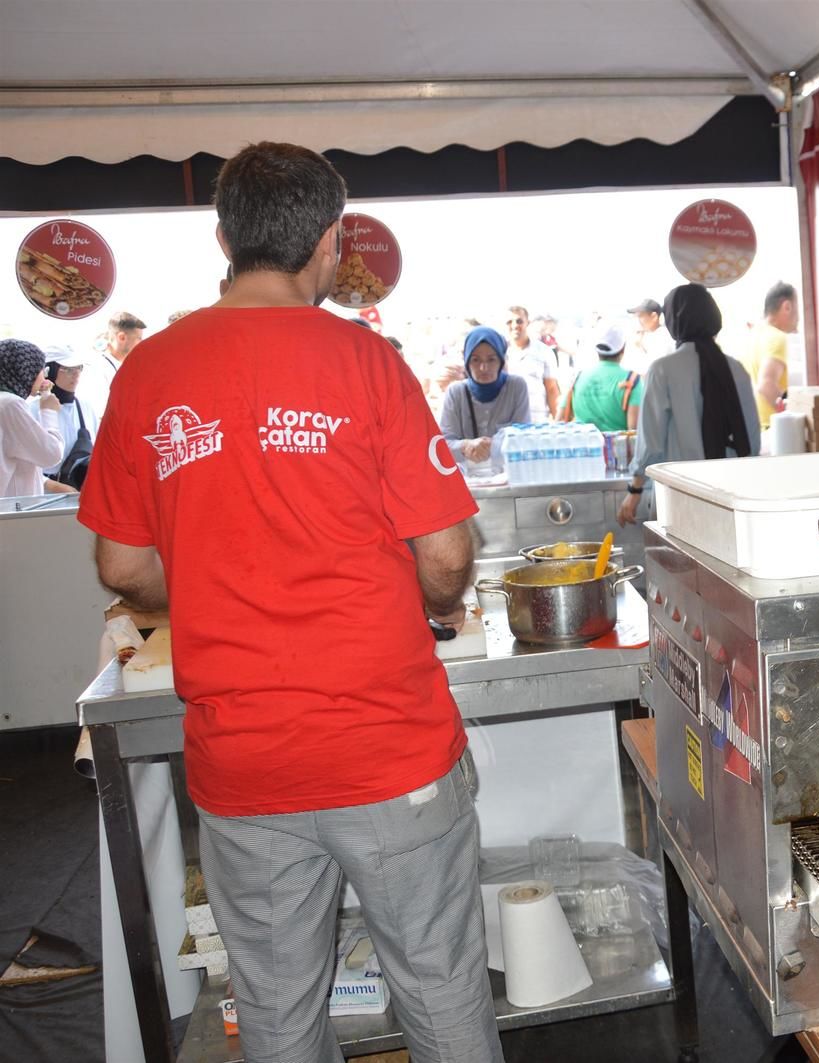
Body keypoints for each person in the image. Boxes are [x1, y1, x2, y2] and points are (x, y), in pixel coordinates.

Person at [75, 141, 501, 1063]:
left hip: (244, 762)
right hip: (390, 748)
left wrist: (210, 579)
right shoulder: (366, 362)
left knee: (275, 1014)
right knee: (441, 994)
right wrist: (437, 600)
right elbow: (446, 549)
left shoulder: (147, 371)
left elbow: (121, 561)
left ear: (223, 236)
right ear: (330, 243)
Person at [618, 284, 759, 526]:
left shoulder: (663, 369)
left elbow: (651, 442)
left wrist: (635, 490)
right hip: (730, 498)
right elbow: (752, 441)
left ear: (673, 321)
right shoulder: (736, 370)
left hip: (679, 498)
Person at [439, 326, 532, 469]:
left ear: (501, 361)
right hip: (468, 482)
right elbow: (443, 446)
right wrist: (466, 445)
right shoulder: (456, 392)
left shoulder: (516, 386)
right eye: (476, 360)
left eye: (491, 359)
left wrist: (488, 446)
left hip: (510, 478)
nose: (483, 368)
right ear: (467, 361)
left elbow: (523, 438)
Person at [0, 339, 64, 498]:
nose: (45, 378)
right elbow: (51, 454)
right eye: (43, 370)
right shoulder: (10, 404)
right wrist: (49, 412)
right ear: (25, 371)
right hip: (14, 513)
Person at [560, 326, 642, 432]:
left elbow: (560, 419)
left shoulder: (579, 377)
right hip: (616, 447)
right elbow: (634, 429)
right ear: (623, 349)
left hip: (583, 445)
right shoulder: (632, 380)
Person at [42, 345, 98, 492]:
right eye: (68, 369)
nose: (76, 374)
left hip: (81, 493)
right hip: (44, 498)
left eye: (79, 368)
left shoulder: (86, 406)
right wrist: (53, 486)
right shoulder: (32, 409)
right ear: (50, 371)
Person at [743, 281, 798, 430]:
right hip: (773, 428)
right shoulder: (777, 338)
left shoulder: (752, 336)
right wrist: (795, 417)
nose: (798, 318)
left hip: (754, 428)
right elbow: (766, 384)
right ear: (787, 307)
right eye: (798, 309)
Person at [77, 310, 145, 419]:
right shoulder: (96, 369)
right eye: (139, 338)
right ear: (121, 337)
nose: (142, 344)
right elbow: (98, 414)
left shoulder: (125, 368)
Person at [505, 305, 559, 418]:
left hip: (536, 424)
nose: (515, 325)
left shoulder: (544, 351)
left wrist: (558, 422)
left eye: (519, 321)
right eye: (510, 321)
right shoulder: (499, 353)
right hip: (507, 423)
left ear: (527, 323)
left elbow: (552, 389)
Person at [625, 297, 676, 373]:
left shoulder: (662, 337)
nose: (638, 320)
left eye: (640, 316)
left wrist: (638, 347)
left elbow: (650, 370)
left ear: (654, 316)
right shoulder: (657, 335)